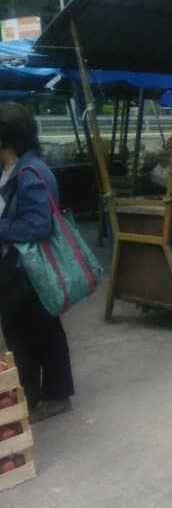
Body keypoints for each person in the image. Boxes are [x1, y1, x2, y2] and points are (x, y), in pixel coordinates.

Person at [0, 103, 74, 422]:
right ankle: (39, 395)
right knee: (32, 329)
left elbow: (38, 225)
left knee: (31, 331)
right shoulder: (12, 168)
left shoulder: (31, 173)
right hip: (16, 267)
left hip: (28, 269)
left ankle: (44, 397)